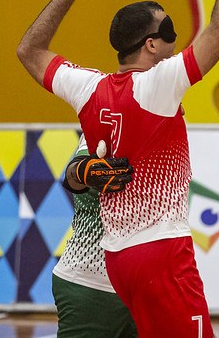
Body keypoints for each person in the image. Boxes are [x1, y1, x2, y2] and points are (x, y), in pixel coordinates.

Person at [17, 0, 219, 337]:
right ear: (151, 46)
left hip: (118, 259)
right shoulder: (159, 85)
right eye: (169, 31)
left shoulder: (87, 87)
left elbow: (29, 50)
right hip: (159, 253)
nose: (175, 41)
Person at [52, 136, 137, 338]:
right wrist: (82, 172)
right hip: (93, 282)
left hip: (151, 282)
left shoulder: (166, 119)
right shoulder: (103, 118)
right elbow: (73, 176)